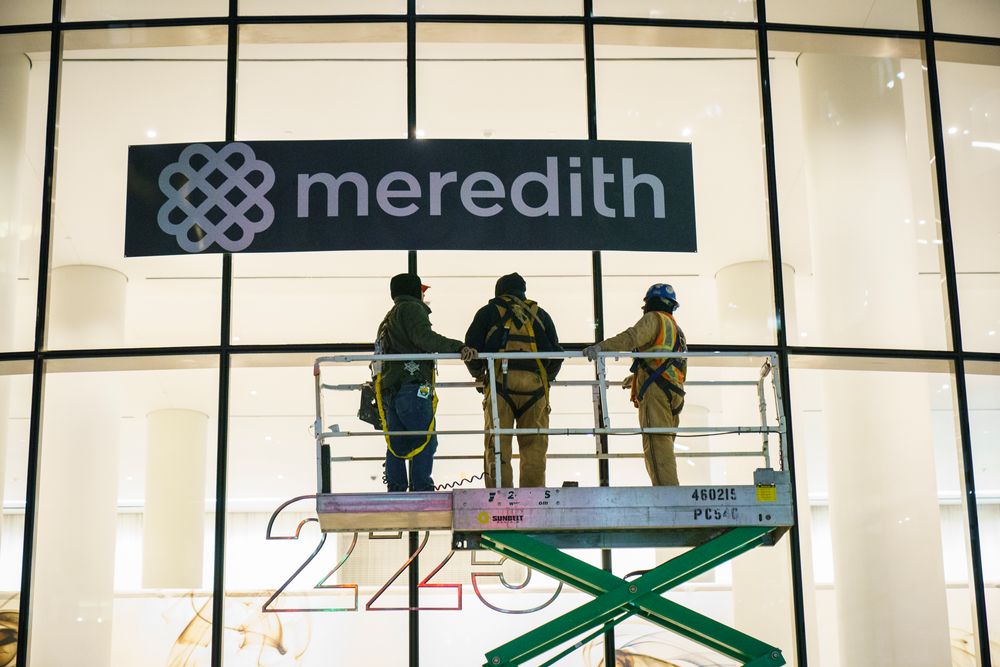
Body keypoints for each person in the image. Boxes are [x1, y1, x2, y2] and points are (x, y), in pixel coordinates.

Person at [374, 273, 477, 492]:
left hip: (393, 387)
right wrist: (458, 347)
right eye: (421, 291)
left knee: (397, 442)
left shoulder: (390, 316)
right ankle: (422, 487)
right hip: (413, 387)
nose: (423, 296)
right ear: (413, 291)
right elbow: (424, 337)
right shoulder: (411, 309)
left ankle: (397, 487)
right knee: (425, 439)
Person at [465, 272, 563, 488]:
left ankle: (498, 497)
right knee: (534, 447)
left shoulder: (489, 311)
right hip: (535, 387)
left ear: (499, 291)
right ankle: (533, 498)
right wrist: (548, 379)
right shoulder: (540, 314)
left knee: (497, 446)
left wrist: (479, 375)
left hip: (500, 386)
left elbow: (470, 347)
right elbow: (557, 353)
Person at [582, 283, 686, 486]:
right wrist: (636, 378)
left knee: (657, 448)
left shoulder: (653, 319)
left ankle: (667, 496)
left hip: (657, 392)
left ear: (649, 303)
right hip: (674, 392)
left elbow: (631, 338)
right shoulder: (676, 329)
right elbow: (665, 362)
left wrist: (600, 348)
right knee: (664, 446)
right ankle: (669, 491)